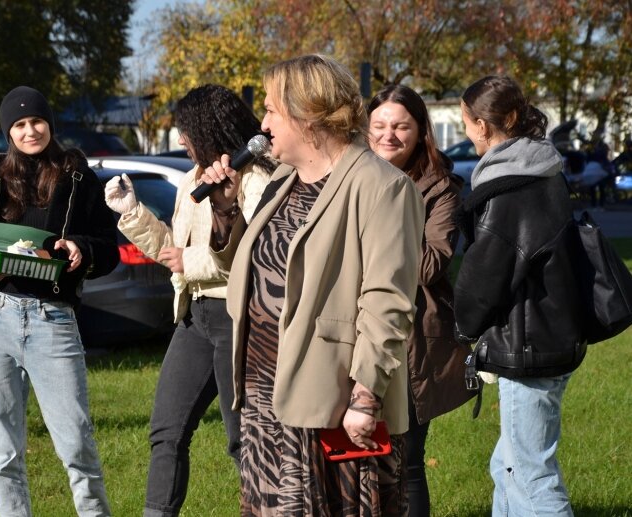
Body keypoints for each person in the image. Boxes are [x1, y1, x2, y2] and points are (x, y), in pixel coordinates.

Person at [202, 55, 425, 515]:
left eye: (270, 111)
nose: (262, 125)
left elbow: (389, 302)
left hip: (330, 399)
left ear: (307, 115)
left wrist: (365, 398)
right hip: (265, 394)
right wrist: (225, 211)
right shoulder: (283, 181)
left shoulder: (382, 186)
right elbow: (248, 273)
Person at [0, 86, 117, 516]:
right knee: (4, 453)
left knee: (76, 444)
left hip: (52, 321)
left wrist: (82, 249)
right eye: (18, 125)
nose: (29, 131)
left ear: (49, 124)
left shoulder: (76, 174)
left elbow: (108, 248)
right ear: (8, 131)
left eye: (36, 121)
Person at [104, 84, 274, 517]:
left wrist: (191, 257)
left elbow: (257, 257)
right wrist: (132, 213)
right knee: (167, 432)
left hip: (240, 318)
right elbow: (172, 250)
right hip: (195, 317)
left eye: (185, 130)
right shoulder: (190, 179)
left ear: (208, 128)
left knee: (243, 441)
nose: (180, 139)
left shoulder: (256, 178)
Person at [454, 75, 586, 516]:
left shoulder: (509, 183)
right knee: (506, 464)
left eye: (466, 124)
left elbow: (486, 270)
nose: (467, 135)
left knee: (531, 473)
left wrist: (462, 324)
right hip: (552, 335)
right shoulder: (542, 165)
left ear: (482, 126)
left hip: (529, 344)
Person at [367, 84, 475, 517]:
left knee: (406, 460)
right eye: (378, 124)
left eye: (400, 126)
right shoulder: (346, 176)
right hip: (352, 334)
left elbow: (429, 265)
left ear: (420, 132)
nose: (388, 135)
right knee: (359, 458)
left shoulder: (440, 187)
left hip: (412, 341)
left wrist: (375, 226)